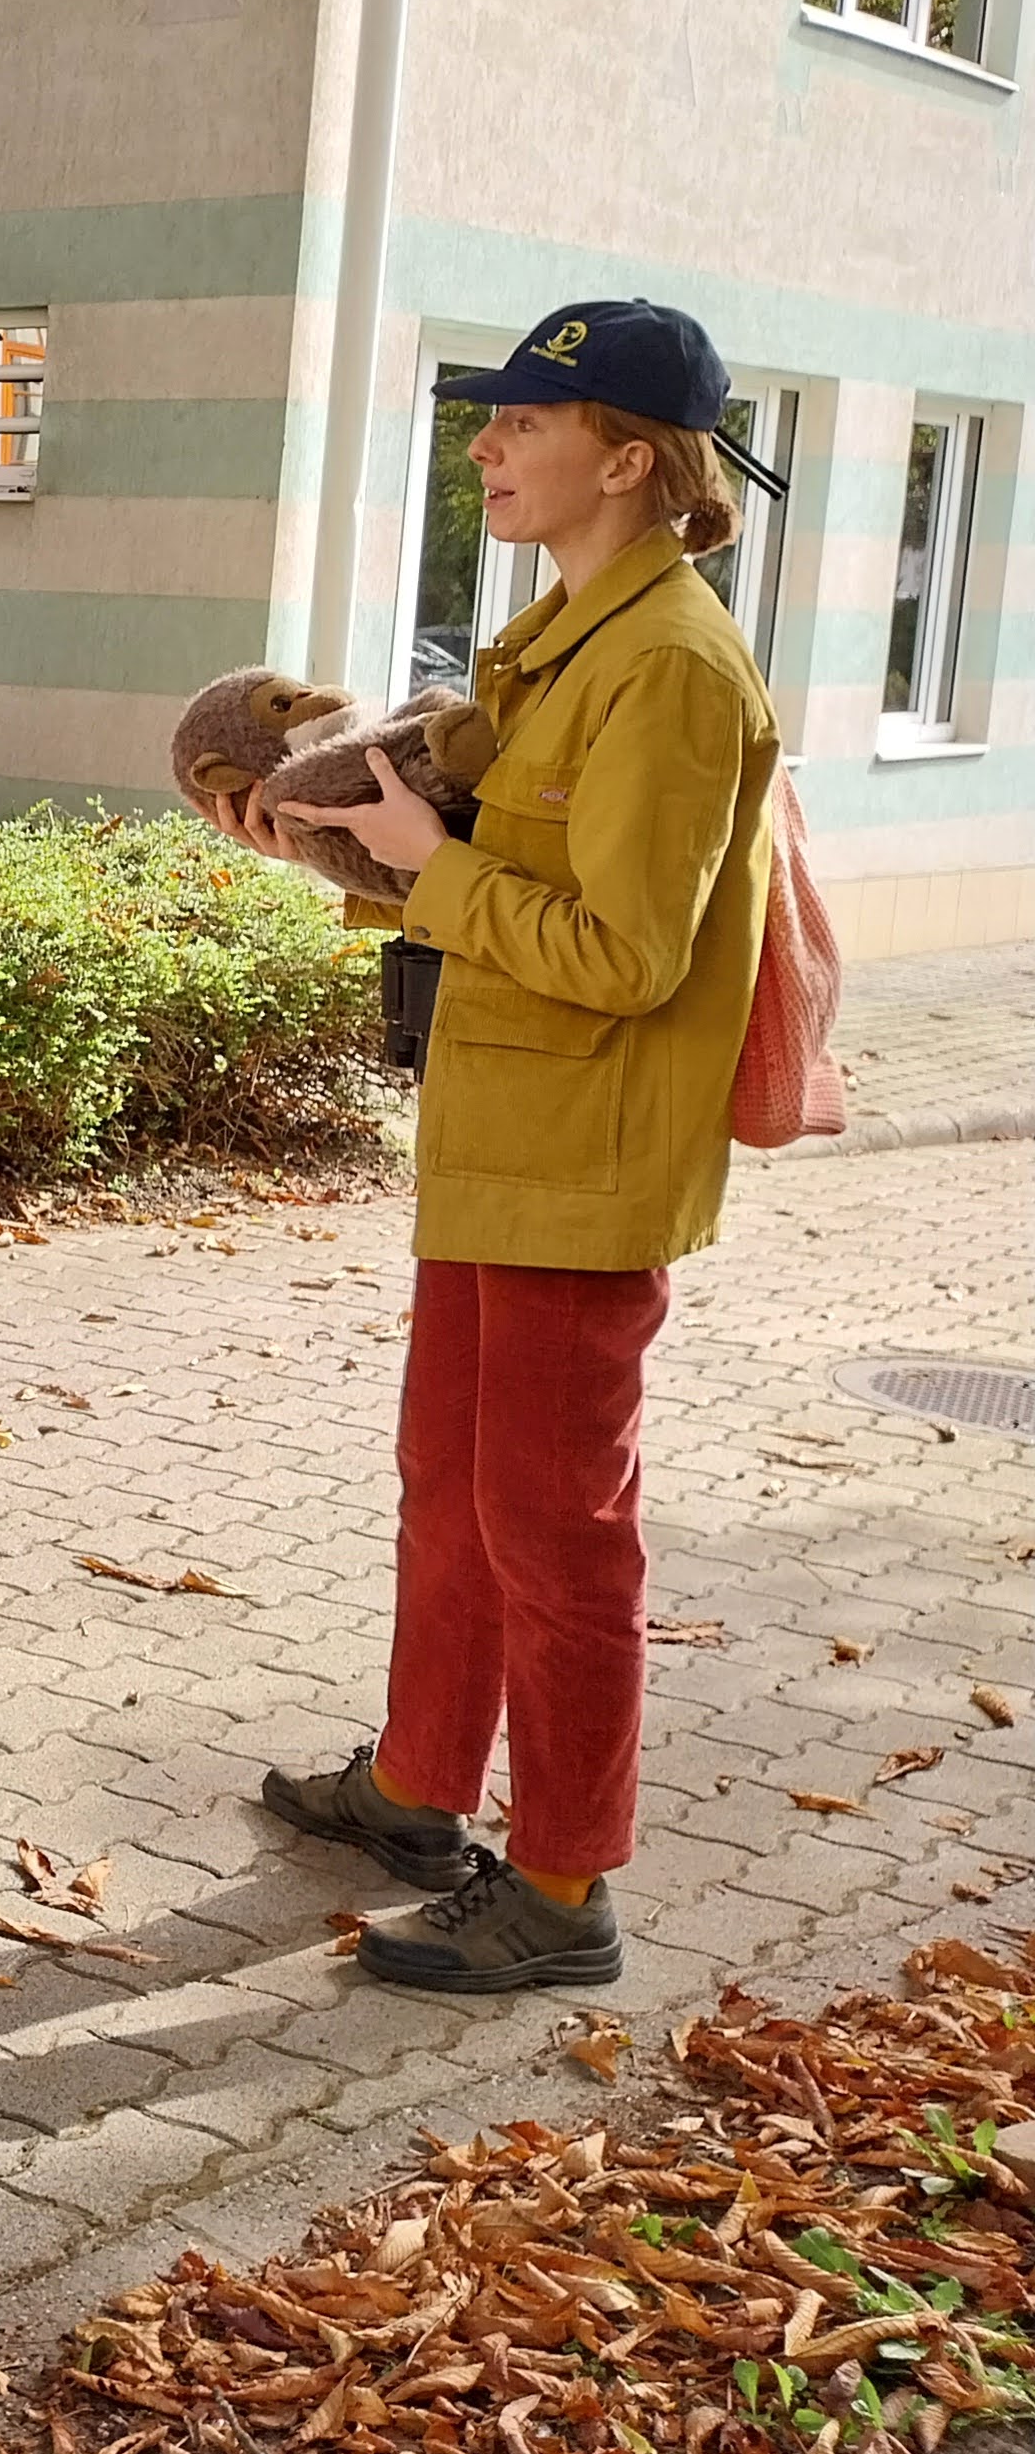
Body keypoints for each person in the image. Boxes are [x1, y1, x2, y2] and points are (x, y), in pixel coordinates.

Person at [219, 300, 777, 1997]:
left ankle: (562, 1888)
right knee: (451, 1493)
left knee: (557, 1532)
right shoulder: (565, 646)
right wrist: (348, 837)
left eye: (528, 421)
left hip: (584, 1176)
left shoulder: (671, 668)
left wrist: (428, 862)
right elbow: (496, 876)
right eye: (491, 417)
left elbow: (628, 954)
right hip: (502, 1145)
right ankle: (417, 1787)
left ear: (631, 460)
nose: (488, 445)